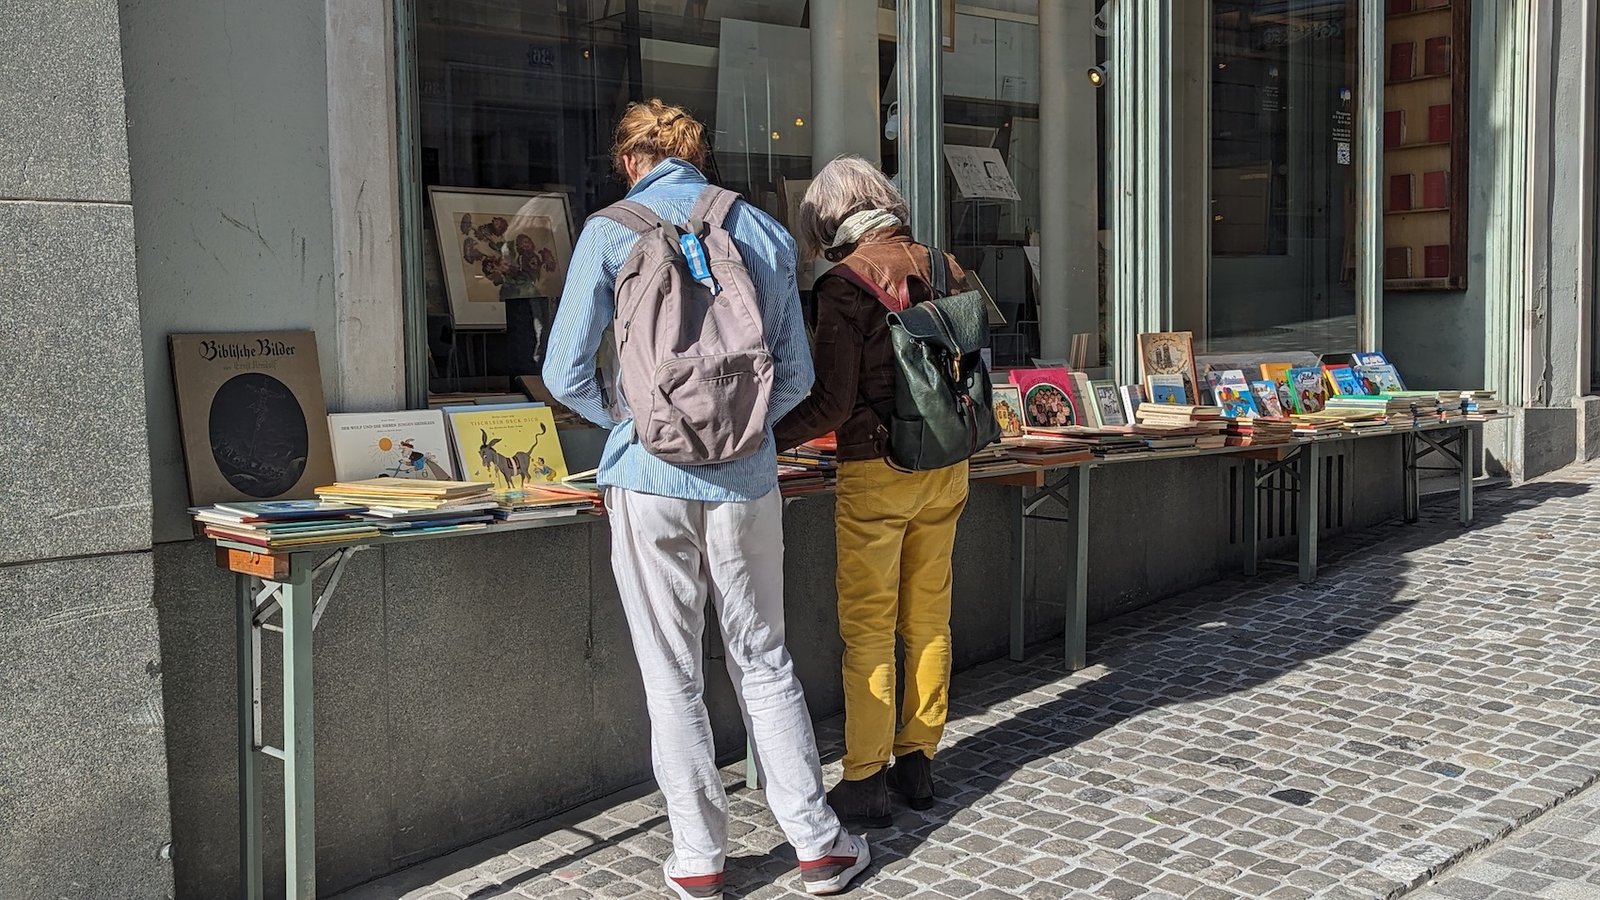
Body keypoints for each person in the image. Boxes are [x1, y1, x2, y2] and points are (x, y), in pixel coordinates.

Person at [544, 100, 870, 900]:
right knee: (763, 658)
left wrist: (632, 419)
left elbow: (562, 375)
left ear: (630, 162)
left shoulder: (606, 232)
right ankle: (819, 845)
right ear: (700, 156)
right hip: (746, 480)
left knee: (671, 673)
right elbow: (795, 377)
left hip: (645, 479)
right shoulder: (756, 229)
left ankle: (698, 859)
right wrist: (740, 429)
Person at [774, 156, 972, 828]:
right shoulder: (945, 266)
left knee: (867, 632)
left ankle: (864, 780)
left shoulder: (844, 285)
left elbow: (831, 403)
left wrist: (765, 438)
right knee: (928, 619)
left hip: (876, 470)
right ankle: (918, 761)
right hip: (946, 463)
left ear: (828, 221)